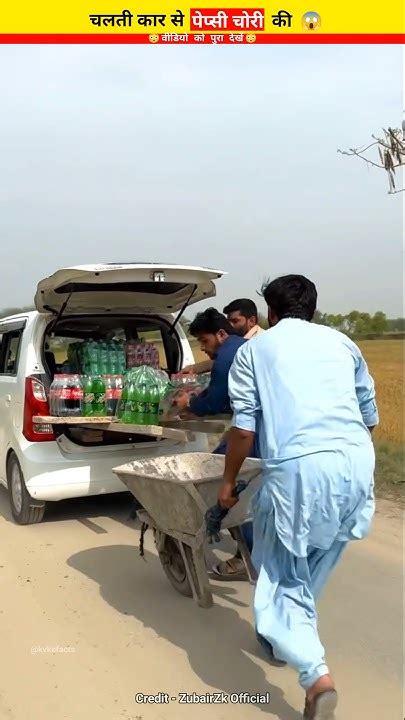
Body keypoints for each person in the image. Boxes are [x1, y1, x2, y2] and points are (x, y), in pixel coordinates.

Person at [218, 275, 378, 720]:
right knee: (314, 561)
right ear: (313, 308)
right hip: (355, 462)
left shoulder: (254, 350)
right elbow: (368, 411)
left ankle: (315, 677)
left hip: (300, 469)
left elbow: (244, 428)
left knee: (282, 571)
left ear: (269, 313)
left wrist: (228, 484)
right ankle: (284, 633)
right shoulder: (343, 343)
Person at [173, 308, 257, 570]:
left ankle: (247, 553)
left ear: (221, 334)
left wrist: (190, 404)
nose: (203, 349)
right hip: (263, 426)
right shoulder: (244, 347)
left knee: (225, 479)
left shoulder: (227, 357)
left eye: (205, 341)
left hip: (255, 430)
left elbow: (217, 398)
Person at [184, 298, 263, 375]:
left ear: (252, 321)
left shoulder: (257, 343)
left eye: (235, 321)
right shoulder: (238, 344)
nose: (230, 325)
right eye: (228, 321)